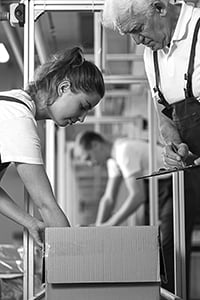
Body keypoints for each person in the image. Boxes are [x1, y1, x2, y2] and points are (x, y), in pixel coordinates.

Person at [102, 0, 200, 297]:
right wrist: (172, 146)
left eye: (138, 29)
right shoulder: (150, 56)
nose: (137, 40)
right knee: (168, 243)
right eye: (129, 35)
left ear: (159, 7)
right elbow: (164, 114)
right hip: (189, 168)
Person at [0, 47, 105, 247]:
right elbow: (46, 205)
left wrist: (29, 222)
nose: (82, 118)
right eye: (83, 106)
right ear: (63, 87)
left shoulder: (14, 104)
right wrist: (75, 259)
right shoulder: (18, 119)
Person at [75, 130, 174, 293]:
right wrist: (97, 230)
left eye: (88, 157)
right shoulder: (113, 161)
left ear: (95, 145)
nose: (90, 164)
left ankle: (171, 294)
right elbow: (108, 199)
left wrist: (107, 226)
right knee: (152, 245)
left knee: (167, 247)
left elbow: (138, 196)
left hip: (174, 185)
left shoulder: (123, 151)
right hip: (159, 190)